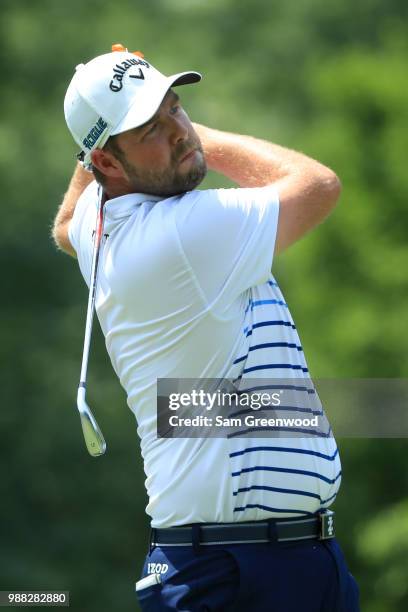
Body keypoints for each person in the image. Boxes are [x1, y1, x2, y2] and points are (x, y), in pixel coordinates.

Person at [53, 44, 360, 611]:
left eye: (176, 107)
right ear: (110, 164)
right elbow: (317, 184)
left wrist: (116, 111)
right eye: (150, 128)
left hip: (287, 560)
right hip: (234, 573)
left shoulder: (101, 221)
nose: (177, 130)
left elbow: (67, 223)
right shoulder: (183, 233)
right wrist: (199, 139)